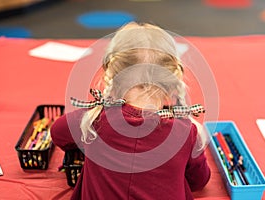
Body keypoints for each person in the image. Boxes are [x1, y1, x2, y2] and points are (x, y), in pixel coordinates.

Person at [51, 22, 211, 200]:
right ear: (172, 77)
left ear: (112, 74)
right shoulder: (186, 131)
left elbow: (57, 133)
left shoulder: (94, 119)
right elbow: (199, 180)